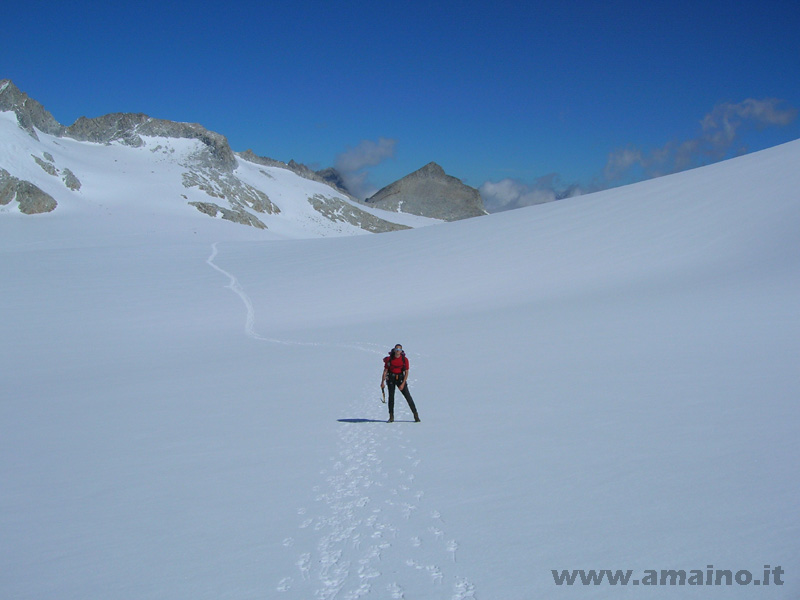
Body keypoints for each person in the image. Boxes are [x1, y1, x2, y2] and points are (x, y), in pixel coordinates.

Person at [381, 344, 420, 423]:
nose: (398, 351)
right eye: (397, 349)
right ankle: (391, 417)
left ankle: (416, 415)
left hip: (401, 379)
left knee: (408, 397)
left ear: (401, 351)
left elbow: (406, 372)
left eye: (399, 349)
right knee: (391, 398)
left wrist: (403, 384)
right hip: (391, 379)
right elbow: (385, 371)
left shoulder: (404, 359)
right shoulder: (389, 359)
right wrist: (382, 382)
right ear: (394, 350)